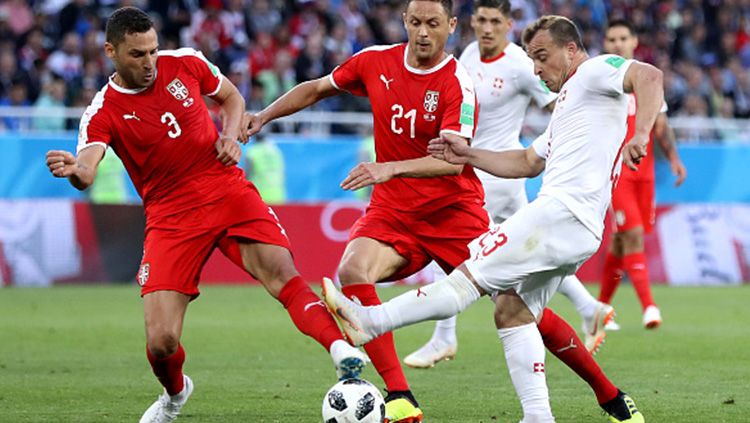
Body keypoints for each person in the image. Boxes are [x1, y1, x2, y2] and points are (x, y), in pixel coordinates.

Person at [323, 15, 661, 423]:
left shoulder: (592, 72)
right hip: (580, 227)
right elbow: (525, 161)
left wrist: (641, 133)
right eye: (532, 58)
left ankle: (371, 321)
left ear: (570, 50)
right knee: (514, 311)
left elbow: (649, 74)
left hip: (559, 213)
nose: (536, 68)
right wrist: (468, 155)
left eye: (542, 56)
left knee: (464, 281)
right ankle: (538, 416)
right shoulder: (571, 103)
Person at [44, 7, 366, 423]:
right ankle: (175, 393)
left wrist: (230, 137)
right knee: (161, 342)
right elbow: (88, 168)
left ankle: (342, 353)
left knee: (282, 273)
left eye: (153, 51)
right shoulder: (102, 111)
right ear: (111, 51)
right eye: (138, 54)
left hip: (224, 187)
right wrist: (75, 172)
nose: (149, 63)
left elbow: (231, 97)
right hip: (170, 215)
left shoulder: (187, 63)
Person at [244, 1, 485, 420]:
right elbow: (318, 88)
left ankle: (607, 393)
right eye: (415, 22)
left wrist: (388, 167)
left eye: (433, 24)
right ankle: (400, 397)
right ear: (404, 22)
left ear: (451, 25)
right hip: (394, 211)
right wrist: (264, 116)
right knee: (352, 272)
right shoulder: (375, 62)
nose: (423, 32)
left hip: (452, 211)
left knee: (517, 303)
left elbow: (453, 161)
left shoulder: (457, 84)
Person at [404, 0, 613, 370]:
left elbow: (561, 101)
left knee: (462, 245)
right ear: (470, 22)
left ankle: (443, 336)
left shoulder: (520, 63)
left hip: (498, 172)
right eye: (481, 20)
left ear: (508, 24)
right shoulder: (468, 54)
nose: (487, 28)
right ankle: (589, 307)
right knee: (532, 256)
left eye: (495, 21)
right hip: (485, 169)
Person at [599, 19, 687, 330]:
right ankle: (649, 307)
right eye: (612, 39)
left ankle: (600, 309)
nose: (618, 44)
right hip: (618, 173)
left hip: (645, 174)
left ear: (634, 41)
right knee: (632, 235)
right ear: (606, 44)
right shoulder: (602, 80)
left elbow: (660, 125)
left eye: (623, 37)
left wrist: (674, 159)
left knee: (622, 243)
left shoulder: (647, 80)